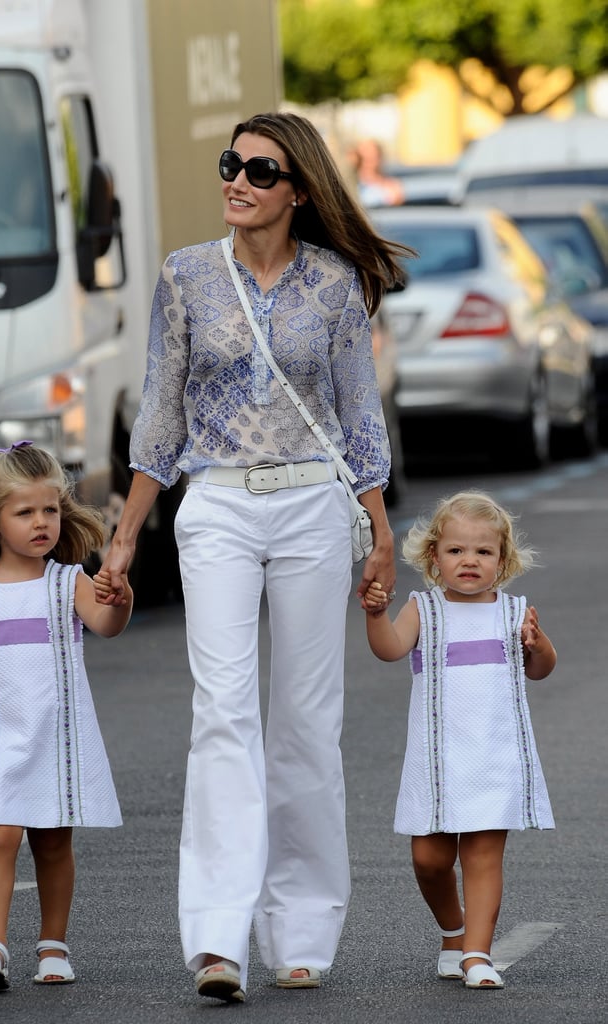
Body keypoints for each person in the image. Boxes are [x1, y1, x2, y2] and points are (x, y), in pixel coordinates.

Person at [95, 111, 411, 1002]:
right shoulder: (186, 275)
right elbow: (159, 409)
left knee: (307, 720)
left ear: (298, 189)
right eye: (230, 164)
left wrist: (378, 530)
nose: (236, 180)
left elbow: (357, 417)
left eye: (259, 170)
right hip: (218, 507)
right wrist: (124, 535)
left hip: (314, 503)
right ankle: (218, 938)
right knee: (223, 713)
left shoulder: (335, 284)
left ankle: (302, 929)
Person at [0, 440, 132, 991]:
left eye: (50, 510)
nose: (41, 523)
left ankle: (53, 946)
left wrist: (121, 598)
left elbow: (108, 626)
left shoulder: (66, 582)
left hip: (54, 737)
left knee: (51, 841)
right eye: (25, 512)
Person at [364, 490, 556, 990]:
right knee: (429, 860)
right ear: (434, 557)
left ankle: (477, 953)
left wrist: (539, 645)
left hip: (495, 756)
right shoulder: (423, 611)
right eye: (456, 551)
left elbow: (540, 670)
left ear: (503, 560)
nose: (469, 560)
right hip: (437, 762)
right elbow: (388, 650)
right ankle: (453, 933)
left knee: (483, 855)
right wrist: (374, 614)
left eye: (483, 552)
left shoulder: (514, 613)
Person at [349, 138, 404, 209]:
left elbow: (397, 200)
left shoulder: (391, 185)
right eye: (363, 157)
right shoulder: (352, 185)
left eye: (372, 157)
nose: (368, 159)